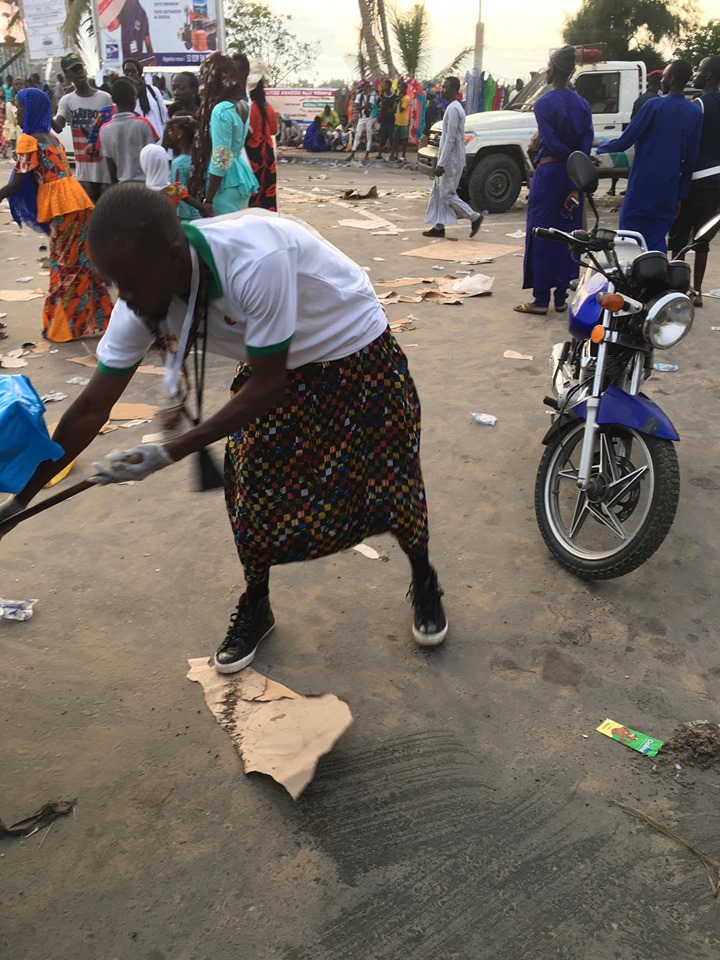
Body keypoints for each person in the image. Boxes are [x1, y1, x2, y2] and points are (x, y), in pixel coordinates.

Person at [0, 183, 449, 670]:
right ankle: (257, 604)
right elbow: (89, 410)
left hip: (352, 348)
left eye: (128, 283)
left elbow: (267, 386)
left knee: (391, 483)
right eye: (113, 283)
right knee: (252, 492)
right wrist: (20, 501)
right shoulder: (141, 297)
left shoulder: (255, 258)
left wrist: (168, 451)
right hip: (274, 361)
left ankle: (423, 579)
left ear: (173, 257)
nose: (122, 298)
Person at [0, 88, 111, 342]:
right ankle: (102, 320)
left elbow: (16, 183)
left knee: (65, 267)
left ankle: (63, 328)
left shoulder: (29, 141)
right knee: (81, 264)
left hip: (65, 208)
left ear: (33, 110)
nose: (16, 112)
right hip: (77, 203)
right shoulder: (51, 138)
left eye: (20, 107)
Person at [514, 45, 593, 315]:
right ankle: (561, 298)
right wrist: (578, 166)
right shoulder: (583, 104)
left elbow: (551, 142)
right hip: (575, 178)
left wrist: (569, 156)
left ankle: (539, 299)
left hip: (549, 177)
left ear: (553, 69)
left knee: (542, 234)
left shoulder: (544, 103)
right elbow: (585, 143)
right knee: (568, 236)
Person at [597, 60, 702, 254]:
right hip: (668, 190)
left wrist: (599, 145)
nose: (661, 80)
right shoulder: (694, 111)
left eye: (664, 76)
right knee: (656, 244)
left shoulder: (653, 106)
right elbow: (690, 159)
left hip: (642, 187)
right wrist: (680, 195)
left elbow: (623, 142)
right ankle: (655, 282)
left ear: (670, 78)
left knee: (629, 241)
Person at [669, 55, 720, 306]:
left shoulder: (698, 105)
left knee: (679, 236)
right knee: (703, 240)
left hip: (694, 181)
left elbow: (687, 143)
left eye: (699, 71)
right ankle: (697, 291)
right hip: (717, 185)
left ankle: (674, 288)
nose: (695, 75)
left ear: (709, 76)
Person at [187, 52, 258, 216]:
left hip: (224, 185)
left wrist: (208, 200)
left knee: (223, 232)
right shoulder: (241, 104)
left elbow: (222, 156)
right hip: (239, 176)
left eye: (205, 77)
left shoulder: (221, 109)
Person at [423, 76, 483, 240]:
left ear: (454, 90)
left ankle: (474, 217)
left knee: (447, 194)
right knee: (439, 192)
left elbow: (450, 139)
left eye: (446, 87)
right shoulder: (452, 108)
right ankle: (439, 226)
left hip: (450, 160)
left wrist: (441, 164)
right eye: (442, 87)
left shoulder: (454, 109)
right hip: (451, 158)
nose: (442, 90)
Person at [53, 53, 112, 203]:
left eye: (80, 68)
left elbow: (111, 131)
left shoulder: (105, 98)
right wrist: (41, 110)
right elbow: (58, 127)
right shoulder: (67, 101)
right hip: (83, 173)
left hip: (105, 170)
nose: (79, 72)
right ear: (67, 75)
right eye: (74, 70)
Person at [607, 70, 663, 197]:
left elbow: (633, 123)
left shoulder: (640, 100)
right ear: (659, 85)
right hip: (655, 144)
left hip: (641, 142)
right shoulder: (659, 101)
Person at [98, 78, 159, 183]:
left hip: (122, 186)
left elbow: (111, 168)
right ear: (133, 98)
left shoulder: (104, 129)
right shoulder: (143, 124)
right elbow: (153, 158)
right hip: (145, 185)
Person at [139, 143, 209, 217]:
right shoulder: (173, 190)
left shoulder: (140, 193)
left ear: (145, 165)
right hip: (171, 227)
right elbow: (203, 209)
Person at [246, 77, 278, 211]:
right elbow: (274, 130)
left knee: (253, 189)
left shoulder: (249, 107)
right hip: (268, 152)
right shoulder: (268, 108)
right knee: (268, 189)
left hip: (252, 152)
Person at [166, 113, 201, 220]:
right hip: (197, 213)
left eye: (171, 130)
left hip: (185, 216)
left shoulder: (178, 163)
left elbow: (178, 193)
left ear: (180, 133)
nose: (168, 133)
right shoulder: (196, 158)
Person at [122, 58, 168, 138]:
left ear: (138, 73)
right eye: (126, 71)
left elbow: (164, 116)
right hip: (135, 139)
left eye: (133, 71)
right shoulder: (123, 95)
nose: (129, 74)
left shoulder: (153, 91)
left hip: (157, 137)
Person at [350, 81, 375, 162]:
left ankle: (366, 154)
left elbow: (368, 106)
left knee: (368, 135)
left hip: (368, 118)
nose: (369, 89)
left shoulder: (371, 96)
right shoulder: (359, 96)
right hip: (362, 117)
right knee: (357, 135)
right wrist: (364, 107)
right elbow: (359, 107)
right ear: (364, 88)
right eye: (368, 88)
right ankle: (353, 153)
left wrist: (362, 107)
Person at [2, 77, 24, 160]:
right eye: (16, 84)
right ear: (13, 87)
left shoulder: (31, 101)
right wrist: (14, 149)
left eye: (21, 84)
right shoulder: (9, 105)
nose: (18, 86)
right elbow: (12, 128)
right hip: (20, 140)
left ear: (25, 85)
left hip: (31, 138)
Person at [375, 79, 397, 159]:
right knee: (382, 138)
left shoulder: (394, 96)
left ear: (389, 86)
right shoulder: (382, 95)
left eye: (385, 85)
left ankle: (392, 155)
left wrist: (393, 110)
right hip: (383, 119)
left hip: (391, 120)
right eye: (384, 85)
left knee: (391, 138)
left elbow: (397, 106)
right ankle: (380, 154)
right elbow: (377, 103)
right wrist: (381, 107)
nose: (384, 87)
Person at [390, 81, 410, 162]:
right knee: (395, 138)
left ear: (404, 89)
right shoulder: (400, 98)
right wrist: (397, 100)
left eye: (400, 88)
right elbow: (395, 109)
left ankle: (403, 155)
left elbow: (402, 109)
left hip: (403, 121)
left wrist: (400, 99)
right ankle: (393, 154)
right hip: (397, 121)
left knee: (403, 139)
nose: (399, 89)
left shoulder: (407, 98)